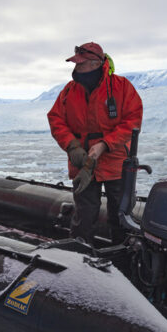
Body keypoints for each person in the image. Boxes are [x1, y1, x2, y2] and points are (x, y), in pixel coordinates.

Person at [47, 42, 143, 245]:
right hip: (83, 164)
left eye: (80, 63)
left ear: (95, 63)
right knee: (84, 216)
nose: (76, 67)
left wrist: (105, 144)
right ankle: (81, 261)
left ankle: (122, 260)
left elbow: (132, 121)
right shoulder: (69, 91)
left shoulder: (122, 87)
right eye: (76, 63)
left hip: (116, 162)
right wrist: (72, 146)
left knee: (121, 215)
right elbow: (56, 119)